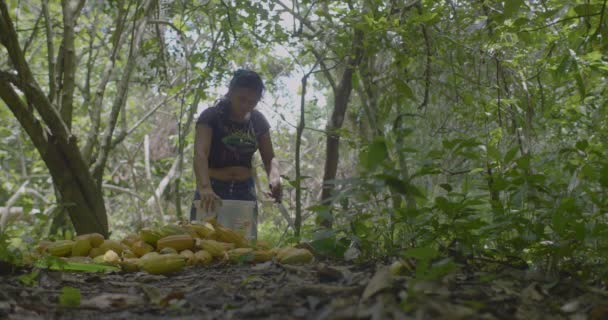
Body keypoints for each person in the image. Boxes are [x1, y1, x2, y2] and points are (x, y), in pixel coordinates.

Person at [191, 69, 282, 224]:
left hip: (244, 190)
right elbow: (200, 153)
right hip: (212, 188)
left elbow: (269, 158)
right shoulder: (211, 116)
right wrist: (205, 187)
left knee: (242, 242)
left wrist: (275, 178)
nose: (245, 105)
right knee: (203, 241)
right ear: (230, 92)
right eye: (242, 99)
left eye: (252, 102)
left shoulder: (258, 120)